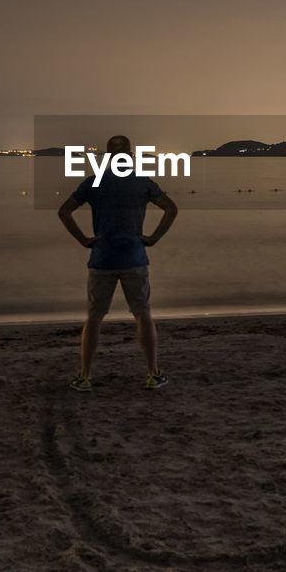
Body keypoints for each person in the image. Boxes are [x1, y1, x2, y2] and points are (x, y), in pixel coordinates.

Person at [57, 134, 178, 391]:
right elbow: (171, 208)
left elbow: (64, 211)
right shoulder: (142, 182)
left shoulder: (94, 182)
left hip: (102, 258)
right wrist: (153, 238)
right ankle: (152, 373)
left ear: (108, 157)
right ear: (130, 155)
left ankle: (85, 376)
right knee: (143, 315)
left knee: (95, 317)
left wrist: (83, 239)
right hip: (134, 257)